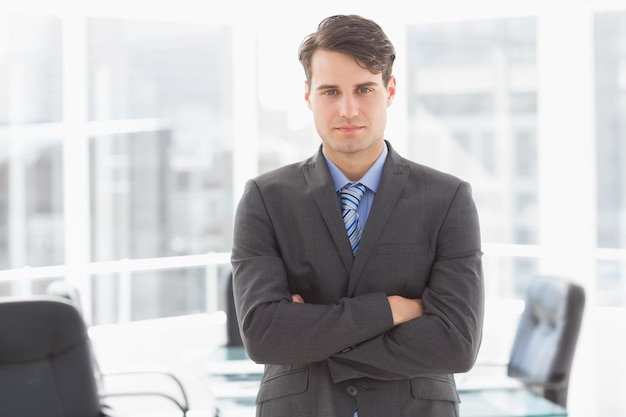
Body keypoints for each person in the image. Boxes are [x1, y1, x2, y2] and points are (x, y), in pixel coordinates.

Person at [231, 14, 484, 417]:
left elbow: (455, 342)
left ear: (390, 90)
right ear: (308, 95)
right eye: (330, 91)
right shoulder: (265, 198)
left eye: (364, 88)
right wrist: (393, 310)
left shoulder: (447, 198)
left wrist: (311, 334)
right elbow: (264, 337)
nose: (348, 109)